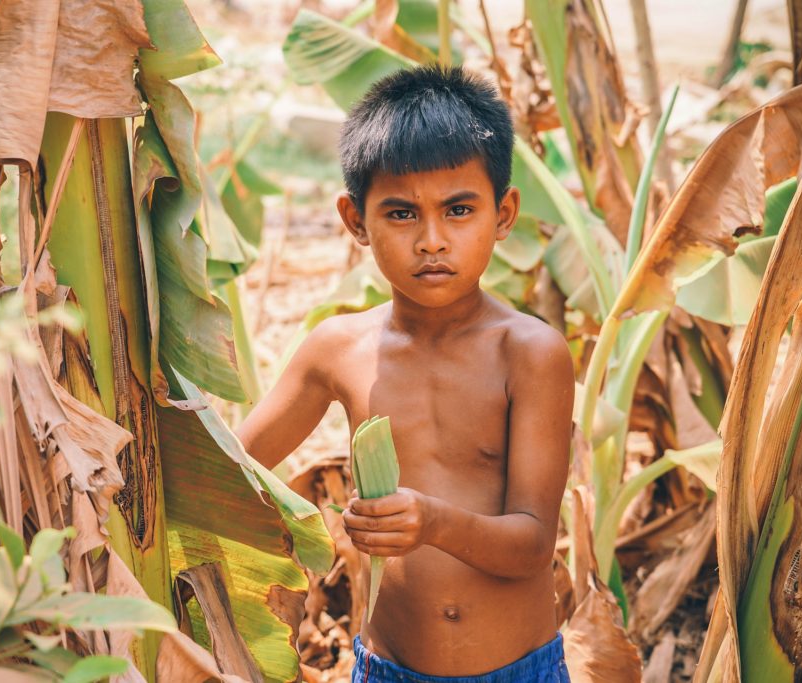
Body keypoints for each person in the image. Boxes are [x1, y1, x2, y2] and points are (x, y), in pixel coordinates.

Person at [237, 65, 573, 682]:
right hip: (387, 670)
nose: (432, 240)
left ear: (503, 214)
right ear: (355, 221)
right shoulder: (337, 349)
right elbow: (233, 468)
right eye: (401, 214)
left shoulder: (529, 353)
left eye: (459, 209)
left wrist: (433, 522)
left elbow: (531, 545)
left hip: (519, 671)